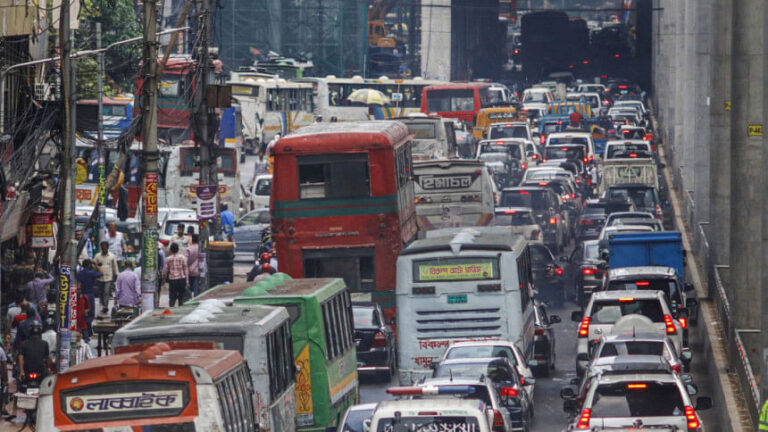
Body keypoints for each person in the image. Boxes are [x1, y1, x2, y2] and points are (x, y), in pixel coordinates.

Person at [93, 241, 119, 315]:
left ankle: (105, 306)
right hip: (100, 278)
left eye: (105, 248)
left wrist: (117, 274)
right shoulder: (97, 256)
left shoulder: (112, 256)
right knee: (101, 292)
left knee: (106, 292)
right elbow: (94, 265)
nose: (104, 250)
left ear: (107, 248)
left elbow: (115, 266)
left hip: (108, 277)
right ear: (101, 248)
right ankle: (103, 304)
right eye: (102, 248)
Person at [76, 259, 100, 334]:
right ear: (89, 265)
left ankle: (85, 329)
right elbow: (101, 273)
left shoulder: (79, 273)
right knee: (90, 314)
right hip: (90, 295)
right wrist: (96, 264)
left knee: (83, 313)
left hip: (82, 296)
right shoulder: (91, 273)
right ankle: (87, 330)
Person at [163, 243, 188, 307]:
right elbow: (185, 269)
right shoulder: (183, 257)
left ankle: (171, 308)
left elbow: (164, 271)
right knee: (181, 297)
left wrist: (164, 279)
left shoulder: (168, 259)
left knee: (172, 297)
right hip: (181, 279)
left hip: (172, 280)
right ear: (178, 249)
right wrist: (187, 280)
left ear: (171, 250)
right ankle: (180, 308)